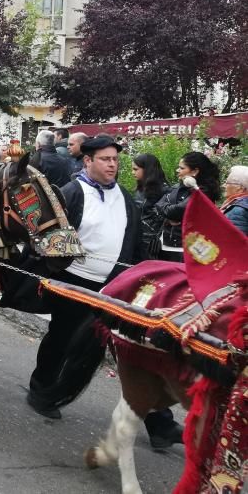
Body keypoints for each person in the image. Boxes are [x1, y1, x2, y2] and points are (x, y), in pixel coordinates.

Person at [27, 136, 140, 422]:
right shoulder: (72, 191)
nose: (112, 164)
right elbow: (47, 235)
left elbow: (134, 239)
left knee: (107, 345)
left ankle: (158, 423)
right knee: (62, 337)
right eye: (105, 159)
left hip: (110, 286)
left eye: (115, 159)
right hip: (73, 281)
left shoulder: (125, 197)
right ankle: (40, 390)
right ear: (87, 161)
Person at [155, 151, 222, 261]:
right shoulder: (177, 187)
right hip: (169, 244)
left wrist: (168, 213)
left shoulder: (202, 192)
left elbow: (177, 211)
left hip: (189, 248)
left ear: (195, 171)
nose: (178, 171)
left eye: (182, 168)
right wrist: (168, 215)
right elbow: (158, 205)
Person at [131, 153, 171, 260]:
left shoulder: (164, 190)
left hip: (153, 244)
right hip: (137, 238)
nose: (133, 172)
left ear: (147, 169)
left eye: (136, 169)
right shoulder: (141, 188)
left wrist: (157, 238)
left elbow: (166, 218)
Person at [220, 164, 248, 236]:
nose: (224, 186)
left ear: (240, 188)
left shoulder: (239, 210)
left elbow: (234, 240)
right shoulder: (238, 204)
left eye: (227, 183)